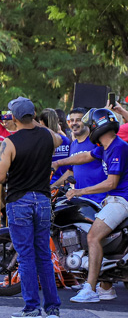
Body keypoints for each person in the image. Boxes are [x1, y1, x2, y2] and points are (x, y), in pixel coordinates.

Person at [0, 97, 64, 318]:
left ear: (13, 117)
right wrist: (39, 125)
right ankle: (52, 308)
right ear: (33, 115)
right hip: (42, 200)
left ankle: (32, 307)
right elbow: (60, 139)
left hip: (19, 200)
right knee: (43, 254)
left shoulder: (10, 142)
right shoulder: (46, 136)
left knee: (26, 256)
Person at [53, 108, 128, 304]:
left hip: (122, 200)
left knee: (93, 236)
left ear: (95, 125)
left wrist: (79, 191)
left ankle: (90, 289)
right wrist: (59, 162)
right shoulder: (106, 146)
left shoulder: (118, 147)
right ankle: (106, 287)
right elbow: (85, 156)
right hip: (113, 199)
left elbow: (111, 183)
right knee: (93, 233)